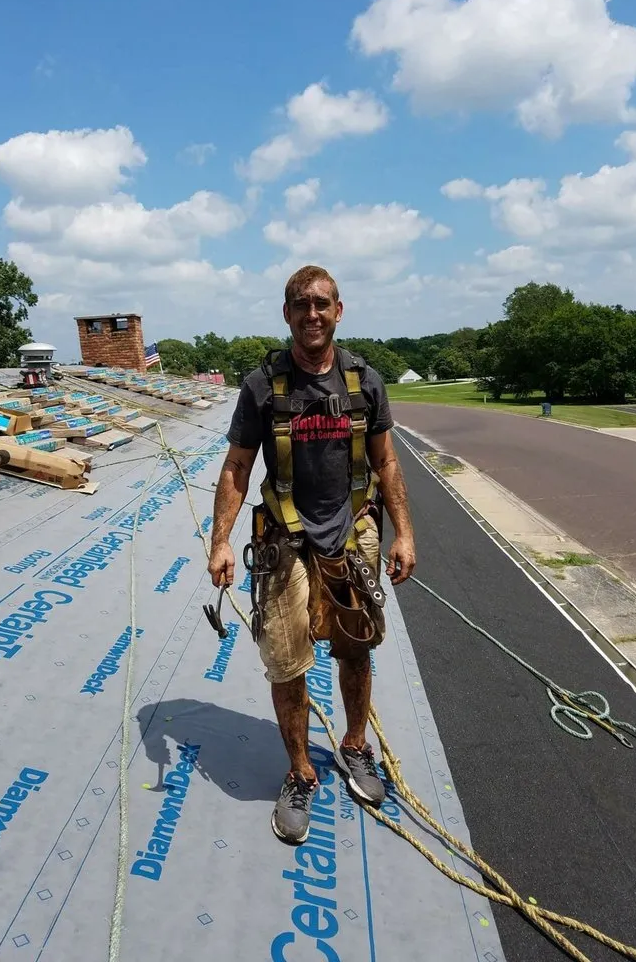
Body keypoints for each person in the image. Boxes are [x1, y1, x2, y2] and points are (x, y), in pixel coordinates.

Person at [207, 264, 416, 844]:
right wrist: (221, 539)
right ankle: (300, 770)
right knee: (286, 658)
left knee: (355, 647)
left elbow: (386, 463)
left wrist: (405, 532)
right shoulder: (260, 388)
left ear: (339, 310)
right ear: (287, 314)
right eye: (301, 304)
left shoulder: (365, 382)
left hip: (354, 535)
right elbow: (238, 468)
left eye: (322, 303)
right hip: (285, 540)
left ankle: (353, 745)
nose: (313, 314)